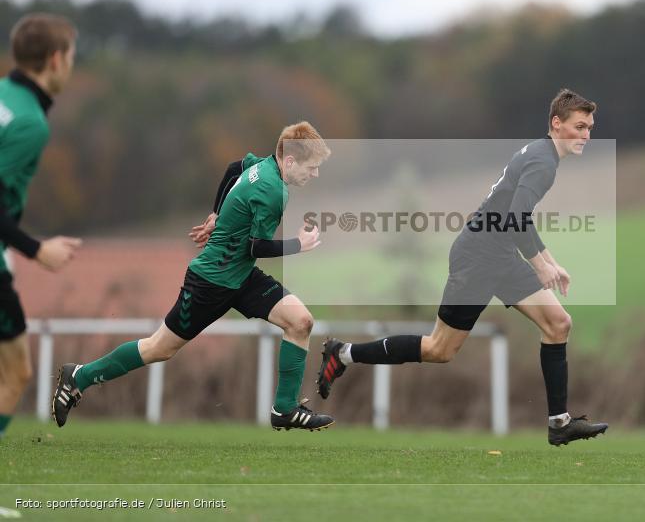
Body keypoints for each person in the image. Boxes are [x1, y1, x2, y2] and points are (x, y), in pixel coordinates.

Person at [316, 88, 608, 446]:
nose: (586, 135)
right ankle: (343, 354)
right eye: (580, 127)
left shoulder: (541, 154)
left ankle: (559, 423)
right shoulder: (543, 162)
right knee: (439, 349)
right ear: (557, 123)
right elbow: (517, 217)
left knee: (558, 323)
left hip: (499, 255)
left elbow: (516, 216)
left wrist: (550, 262)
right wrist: (540, 266)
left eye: (590, 128)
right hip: (477, 257)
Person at [52, 122, 334, 431]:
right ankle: (79, 376)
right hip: (210, 283)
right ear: (290, 160)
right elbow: (257, 246)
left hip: (241, 276)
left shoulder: (263, 165)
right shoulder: (273, 191)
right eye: (312, 167)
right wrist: (298, 245)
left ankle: (285, 409)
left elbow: (233, 168)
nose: (315, 174)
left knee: (300, 322)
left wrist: (217, 215)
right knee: (159, 348)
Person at [0, 14, 82, 439]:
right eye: (71, 57)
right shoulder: (30, 123)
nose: (71, 66)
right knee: (15, 374)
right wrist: (36, 250)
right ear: (54, 60)